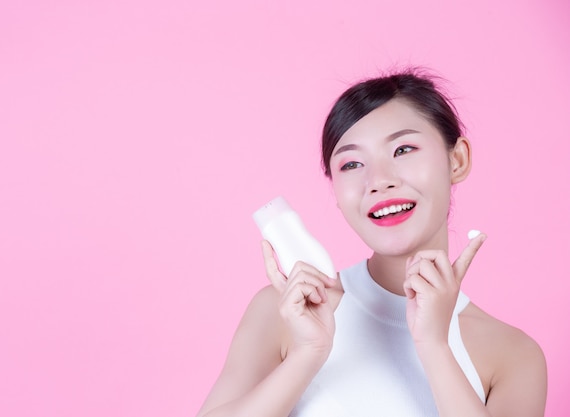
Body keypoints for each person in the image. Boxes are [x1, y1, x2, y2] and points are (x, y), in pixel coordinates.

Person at [196, 69, 547, 417]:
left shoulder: (513, 355)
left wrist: (435, 346)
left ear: (457, 160)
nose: (378, 181)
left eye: (403, 149)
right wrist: (308, 353)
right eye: (351, 164)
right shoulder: (289, 310)